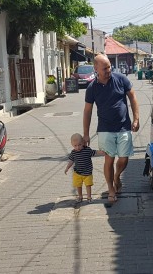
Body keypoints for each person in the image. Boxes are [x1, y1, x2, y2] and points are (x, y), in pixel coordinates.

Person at [83, 54, 140, 204]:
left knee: (124, 158)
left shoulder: (121, 79)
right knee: (109, 159)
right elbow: (87, 111)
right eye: (105, 68)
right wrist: (86, 134)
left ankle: (117, 176)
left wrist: (136, 119)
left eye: (109, 67)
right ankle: (111, 188)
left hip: (123, 126)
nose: (108, 70)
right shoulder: (92, 88)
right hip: (105, 128)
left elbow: (133, 97)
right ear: (96, 69)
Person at [64, 133, 106, 203]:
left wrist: (102, 152)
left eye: (79, 145)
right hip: (77, 173)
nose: (77, 147)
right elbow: (71, 161)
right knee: (78, 185)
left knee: (88, 185)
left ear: (83, 143)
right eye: (75, 146)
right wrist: (67, 168)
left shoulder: (87, 150)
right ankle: (80, 196)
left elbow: (94, 152)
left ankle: (89, 197)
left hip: (87, 173)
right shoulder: (73, 152)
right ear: (72, 145)